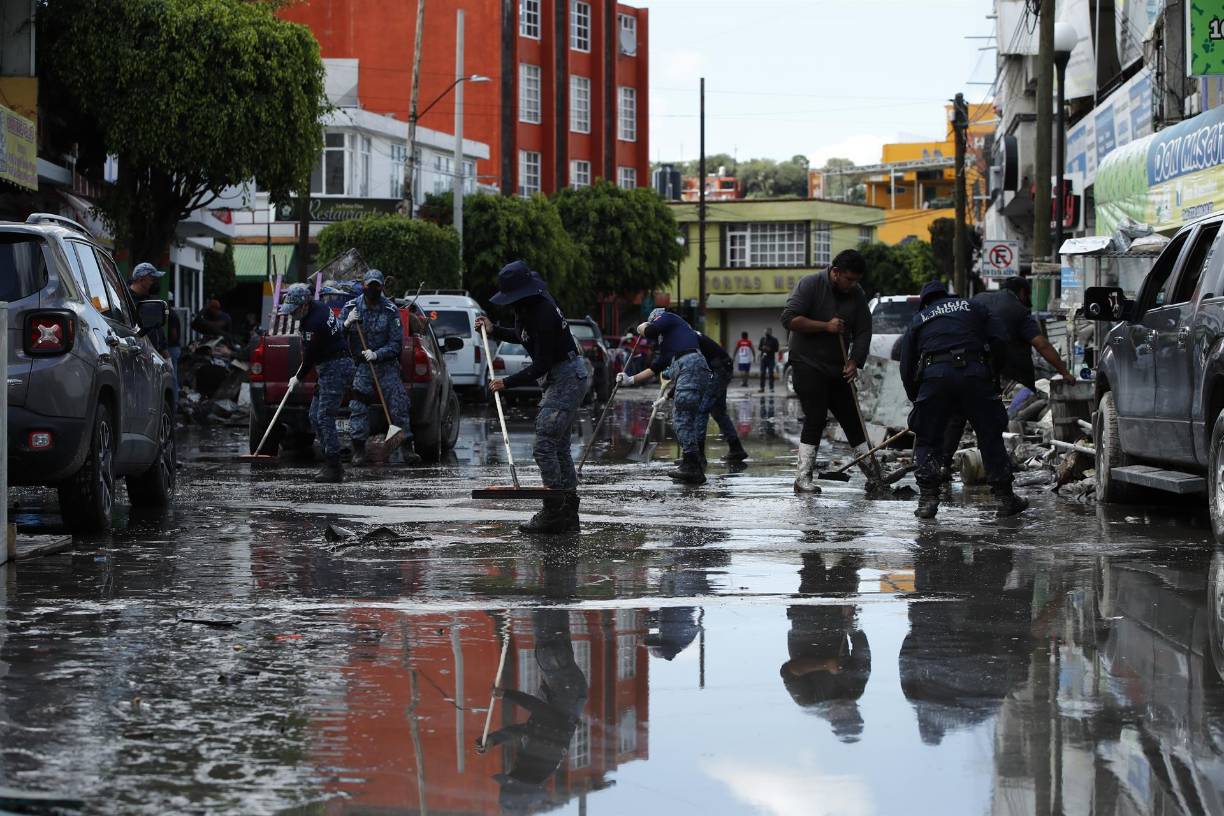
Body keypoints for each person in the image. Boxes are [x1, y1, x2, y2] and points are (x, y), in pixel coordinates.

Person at [899, 280, 1028, 518]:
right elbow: (1000, 339)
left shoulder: (920, 319)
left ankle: (928, 500)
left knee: (927, 438)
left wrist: (915, 395)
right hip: (974, 373)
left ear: (925, 301)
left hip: (935, 377)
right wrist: (992, 372)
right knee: (989, 436)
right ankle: (1005, 499)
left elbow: (906, 362)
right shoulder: (973, 307)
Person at [477, 261, 587, 534]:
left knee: (545, 444)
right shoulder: (528, 307)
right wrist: (494, 330)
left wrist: (506, 382)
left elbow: (541, 364)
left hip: (566, 377)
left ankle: (554, 512)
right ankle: (567, 514)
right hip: (561, 376)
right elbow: (521, 334)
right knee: (558, 446)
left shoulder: (544, 313)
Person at [939, 276, 1074, 481]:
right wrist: (1064, 372)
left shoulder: (978, 299)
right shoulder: (1018, 311)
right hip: (986, 372)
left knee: (957, 416)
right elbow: (1041, 344)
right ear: (1022, 293)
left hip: (957, 365)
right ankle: (999, 478)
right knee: (991, 423)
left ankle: (943, 465)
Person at [780, 249, 881, 494]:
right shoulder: (811, 284)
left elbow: (864, 331)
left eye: (857, 280)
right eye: (849, 279)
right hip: (807, 363)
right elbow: (789, 319)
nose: (853, 285)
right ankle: (802, 478)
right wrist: (826, 326)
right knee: (816, 417)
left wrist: (855, 360)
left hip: (838, 367)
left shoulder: (856, 294)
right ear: (835, 272)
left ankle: (874, 475)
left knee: (852, 419)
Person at [617, 308, 715, 485]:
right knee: (687, 419)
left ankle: (692, 466)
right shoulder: (672, 341)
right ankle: (692, 463)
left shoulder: (668, 317)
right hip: (694, 368)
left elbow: (651, 330)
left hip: (689, 367)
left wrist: (641, 327)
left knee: (681, 419)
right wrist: (630, 380)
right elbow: (656, 368)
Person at [341, 269, 420, 467]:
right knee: (358, 406)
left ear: (382, 287)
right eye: (370, 286)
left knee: (399, 403)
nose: (373, 290)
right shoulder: (351, 307)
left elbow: (396, 344)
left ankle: (406, 447)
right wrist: (347, 323)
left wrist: (377, 354)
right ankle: (358, 449)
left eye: (377, 286)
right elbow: (336, 337)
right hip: (361, 366)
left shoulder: (390, 310)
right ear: (364, 286)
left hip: (386, 365)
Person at [277, 283, 354, 483]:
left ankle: (334, 466)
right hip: (329, 365)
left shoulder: (313, 323)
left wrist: (298, 378)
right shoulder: (319, 307)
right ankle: (331, 451)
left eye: (294, 311)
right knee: (314, 415)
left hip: (334, 367)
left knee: (325, 416)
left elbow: (309, 357)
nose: (291, 315)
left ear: (304, 305)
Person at [128, 262, 181, 405]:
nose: (155, 283)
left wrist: (166, 356)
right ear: (141, 279)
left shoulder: (149, 301)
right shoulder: (127, 301)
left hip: (156, 356)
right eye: (152, 279)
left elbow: (157, 327)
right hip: (139, 358)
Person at [695, 329, 749, 463]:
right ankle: (736, 449)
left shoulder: (685, 337)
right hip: (723, 368)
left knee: (702, 410)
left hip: (718, 370)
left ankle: (698, 455)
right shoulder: (692, 334)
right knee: (718, 412)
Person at [758, 327, 780, 392]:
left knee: (771, 374)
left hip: (771, 359)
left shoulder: (774, 340)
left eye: (767, 332)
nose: (766, 333)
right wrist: (763, 348)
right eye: (765, 332)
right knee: (762, 373)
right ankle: (762, 388)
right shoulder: (762, 339)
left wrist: (770, 349)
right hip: (763, 358)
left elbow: (777, 349)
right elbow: (759, 347)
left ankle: (771, 388)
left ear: (770, 332)